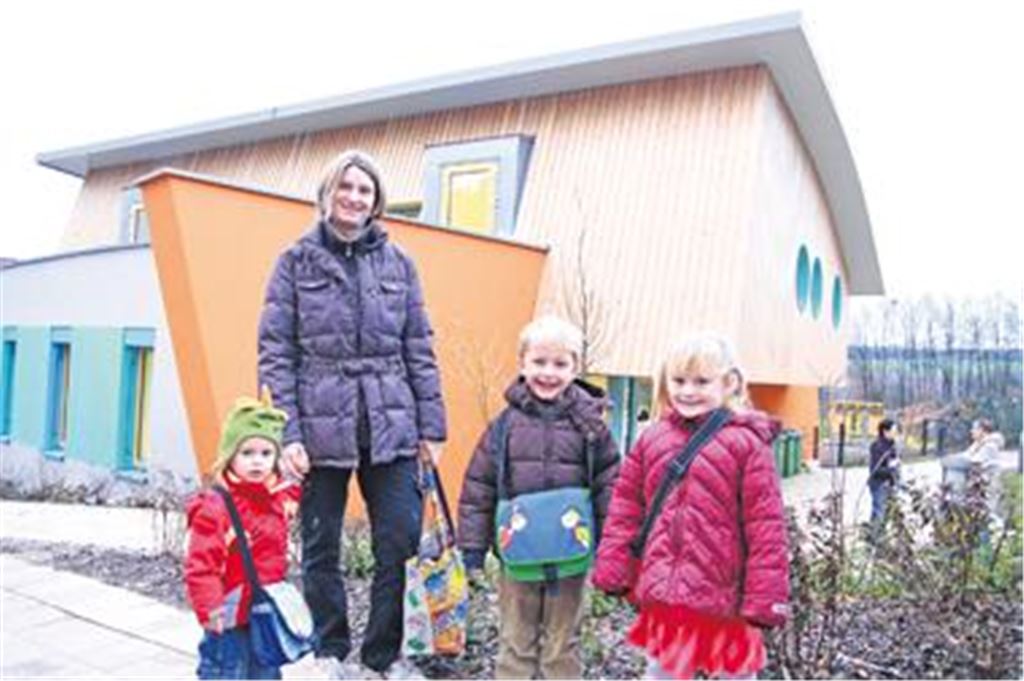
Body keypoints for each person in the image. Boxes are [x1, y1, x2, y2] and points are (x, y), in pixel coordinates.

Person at [258, 149, 446, 679]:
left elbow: (419, 346)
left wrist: (432, 428)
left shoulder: (399, 263)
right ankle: (330, 651)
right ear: (328, 192)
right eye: (346, 187)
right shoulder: (294, 261)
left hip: (392, 423)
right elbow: (276, 352)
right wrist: (287, 434)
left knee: (401, 541)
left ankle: (384, 655)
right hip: (319, 426)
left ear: (376, 200)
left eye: (365, 190)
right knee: (320, 545)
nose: (355, 197)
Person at [593, 332, 790, 680]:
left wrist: (765, 597)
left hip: (727, 600)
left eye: (701, 381)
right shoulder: (652, 439)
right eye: (679, 380)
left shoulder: (747, 445)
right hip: (670, 597)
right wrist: (614, 566)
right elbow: (626, 510)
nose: (687, 391)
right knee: (663, 674)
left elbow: (766, 527)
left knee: (734, 674)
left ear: (729, 383)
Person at [456, 315, 620, 679]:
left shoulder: (591, 426)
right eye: (539, 362)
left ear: (576, 367)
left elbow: (611, 486)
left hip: (572, 556)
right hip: (519, 555)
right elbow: (478, 488)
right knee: (516, 639)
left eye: (560, 364)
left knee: (563, 642)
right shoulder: (504, 426)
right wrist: (472, 548)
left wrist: (613, 544)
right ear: (522, 362)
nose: (549, 372)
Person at [184, 391, 301, 680]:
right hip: (227, 618)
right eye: (247, 453)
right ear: (229, 456)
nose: (257, 462)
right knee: (227, 672)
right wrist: (210, 607)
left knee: (266, 673)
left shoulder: (275, 499)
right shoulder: (216, 507)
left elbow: (291, 496)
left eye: (266, 453)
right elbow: (201, 565)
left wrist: (299, 475)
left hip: (264, 615)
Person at [868, 418, 900, 527]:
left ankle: (879, 537)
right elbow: (875, 469)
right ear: (885, 431)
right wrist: (890, 470)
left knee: (888, 512)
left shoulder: (892, 445)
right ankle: (874, 536)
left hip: (890, 484)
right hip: (879, 484)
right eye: (894, 431)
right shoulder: (877, 446)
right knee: (879, 512)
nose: (896, 433)